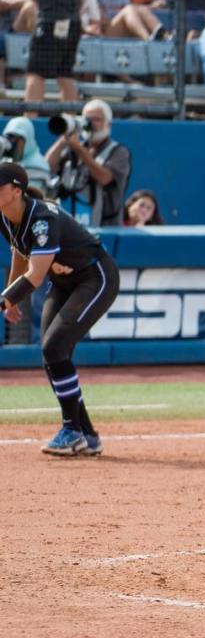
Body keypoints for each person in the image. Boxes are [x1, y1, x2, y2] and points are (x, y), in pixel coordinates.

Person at [0, 163, 120, 456]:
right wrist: (10, 296)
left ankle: (72, 430)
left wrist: (4, 298)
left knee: (55, 346)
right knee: (52, 352)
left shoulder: (42, 218)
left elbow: (37, 275)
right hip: (65, 282)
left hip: (95, 277)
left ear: (16, 191)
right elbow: (19, 250)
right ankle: (87, 436)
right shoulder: (6, 216)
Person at [45, 99, 132, 227]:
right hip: (71, 226)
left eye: (97, 119)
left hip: (104, 227)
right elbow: (47, 167)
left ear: (109, 124)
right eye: (87, 119)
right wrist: (63, 140)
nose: (91, 124)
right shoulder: (73, 148)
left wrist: (79, 150)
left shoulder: (119, 152)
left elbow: (104, 178)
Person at [23, 0, 81, 104]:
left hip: (50, 20)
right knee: (65, 73)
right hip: (73, 22)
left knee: (36, 73)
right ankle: (69, 119)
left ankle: (30, 119)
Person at [2, 117, 51, 194]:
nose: (13, 143)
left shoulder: (38, 165)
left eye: (18, 138)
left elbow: (27, 197)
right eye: (10, 137)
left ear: (28, 139)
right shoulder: (4, 161)